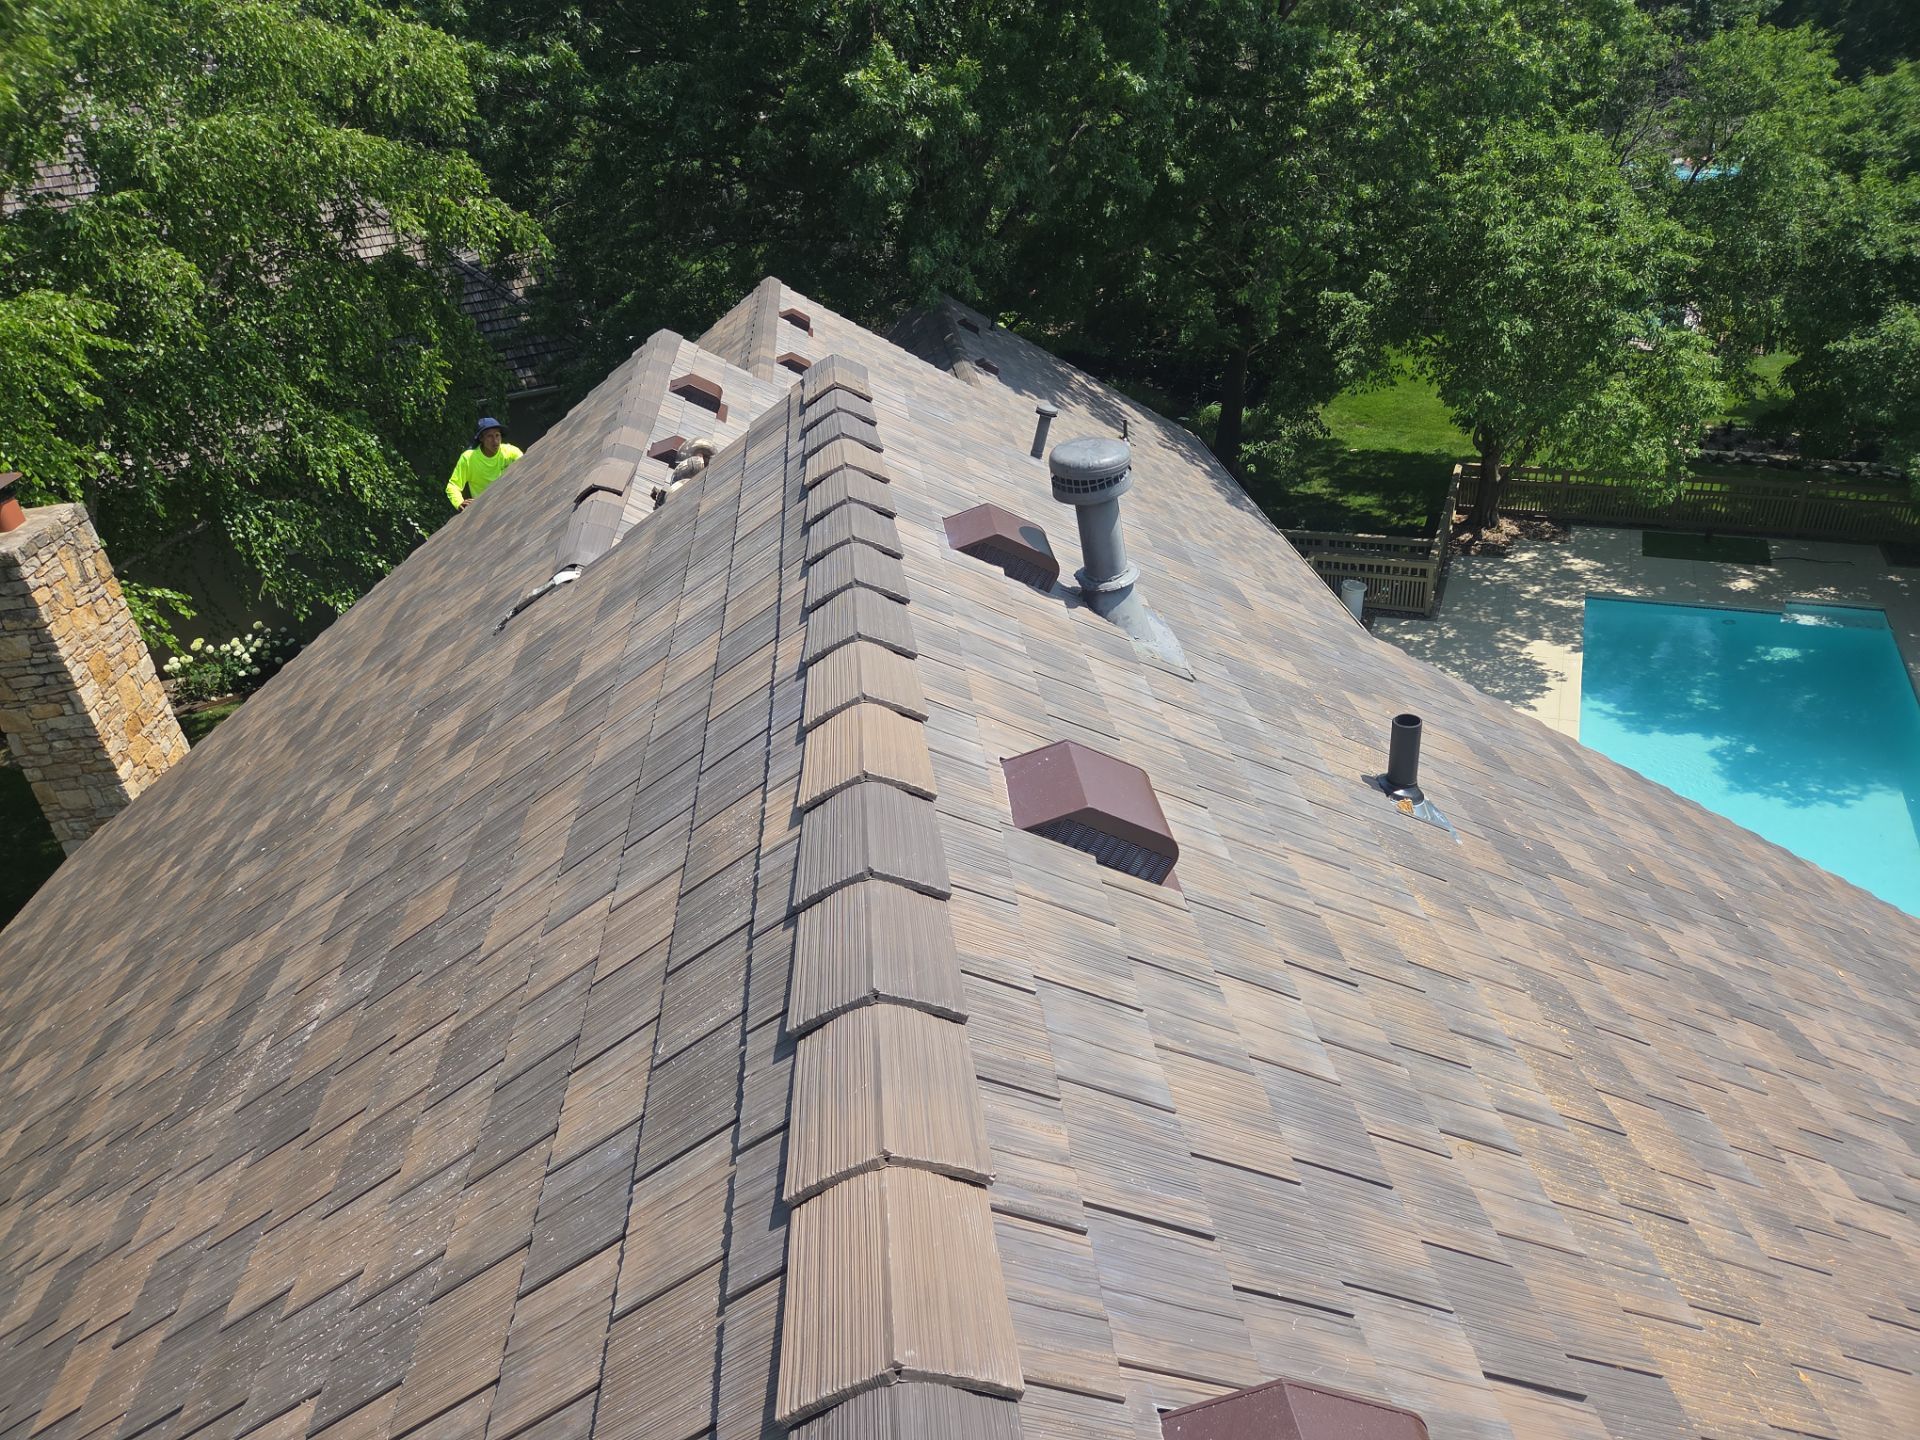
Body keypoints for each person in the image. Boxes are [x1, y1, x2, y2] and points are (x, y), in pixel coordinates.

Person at [446, 417, 523, 510]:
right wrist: (459, 502)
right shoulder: (468, 458)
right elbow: (453, 486)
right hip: (483, 511)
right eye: (490, 436)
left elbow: (527, 469)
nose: (495, 441)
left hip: (510, 504)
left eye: (497, 435)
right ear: (481, 438)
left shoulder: (512, 452)